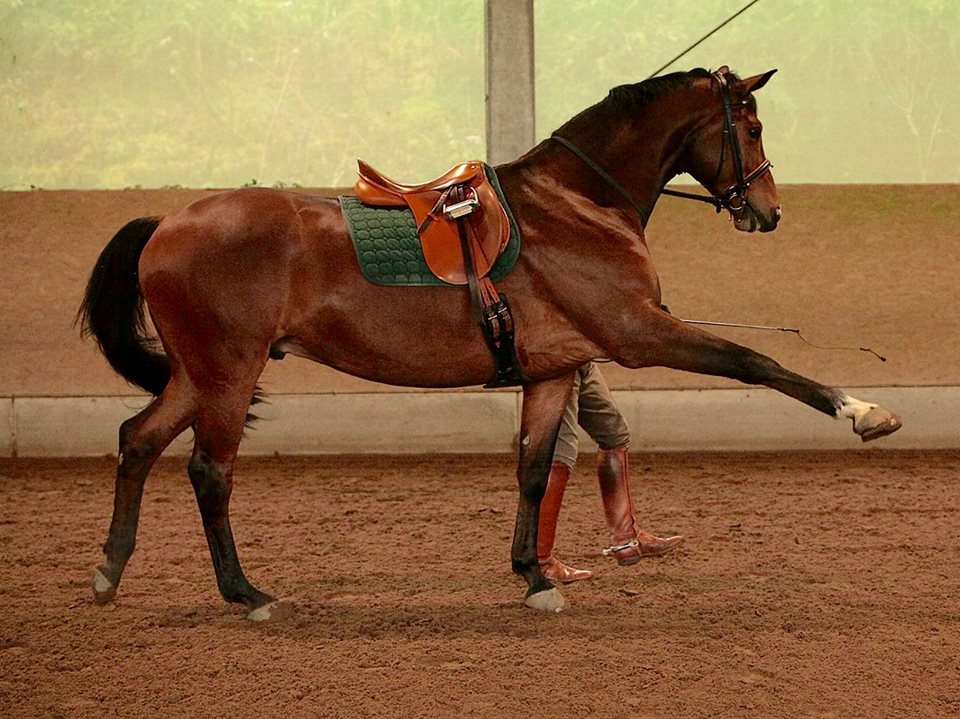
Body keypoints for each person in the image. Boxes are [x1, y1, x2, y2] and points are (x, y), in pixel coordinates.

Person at [537, 362, 684, 582]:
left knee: (614, 434)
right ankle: (540, 560)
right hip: (557, 361)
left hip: (583, 359)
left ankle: (627, 540)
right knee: (561, 452)